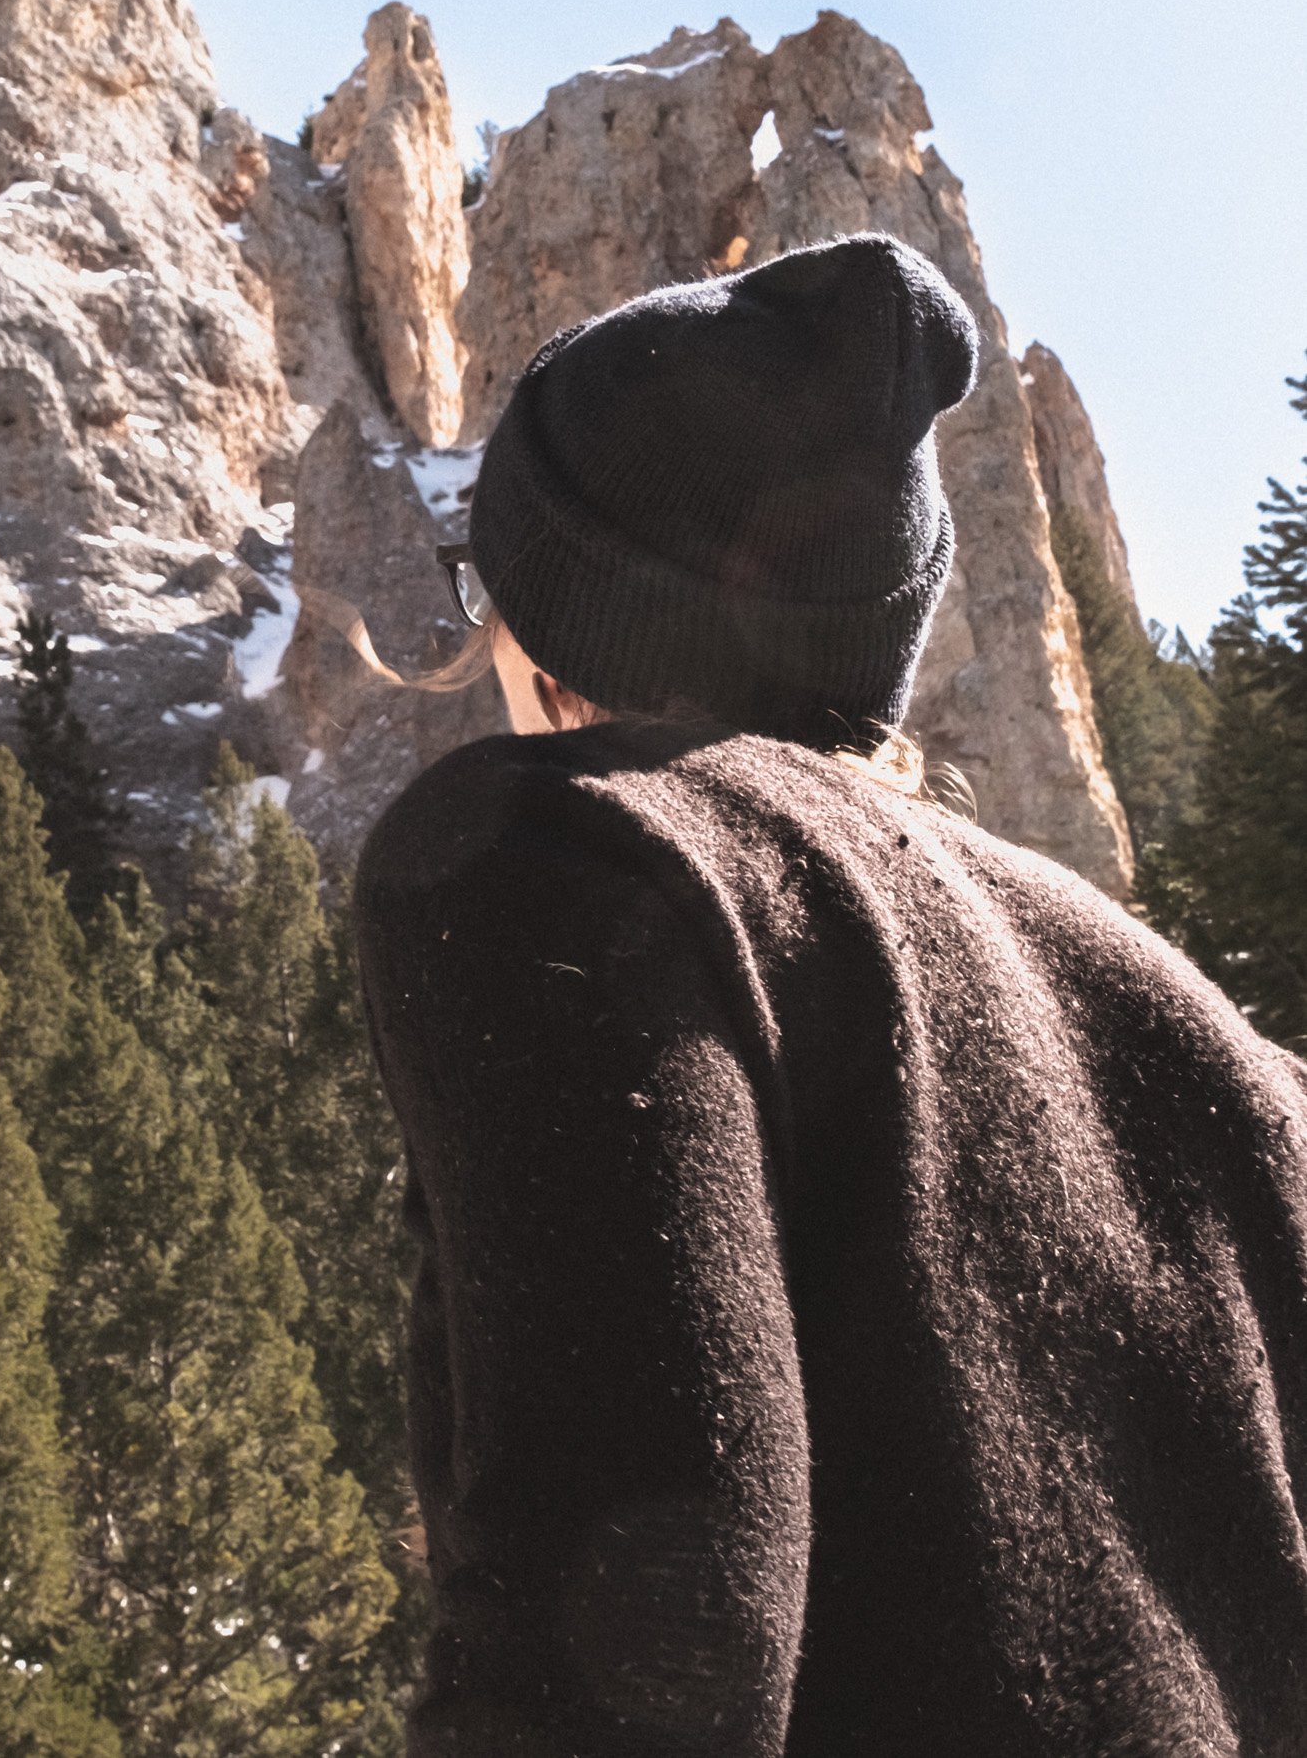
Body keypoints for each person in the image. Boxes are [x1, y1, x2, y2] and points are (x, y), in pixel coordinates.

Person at [355, 233, 1307, 1757]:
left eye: (493, 588)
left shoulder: (568, 862)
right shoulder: (1217, 1047)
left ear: (564, 627)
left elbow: (635, 1653)